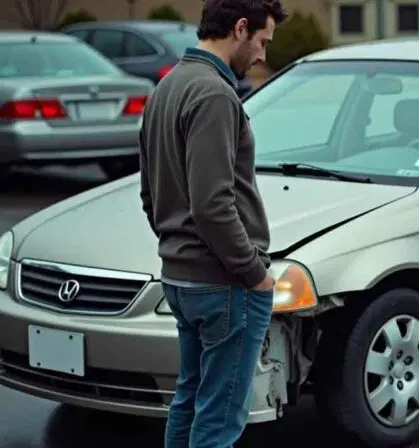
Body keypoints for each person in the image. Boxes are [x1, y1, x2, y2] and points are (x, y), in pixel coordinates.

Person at [137, 1, 288, 447]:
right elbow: (212, 205)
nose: (261, 55)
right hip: (224, 284)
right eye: (262, 41)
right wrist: (254, 273)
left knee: (190, 399)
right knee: (219, 420)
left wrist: (175, 246)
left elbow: (150, 193)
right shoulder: (215, 95)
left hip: (182, 279)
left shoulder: (166, 88)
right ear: (240, 29)